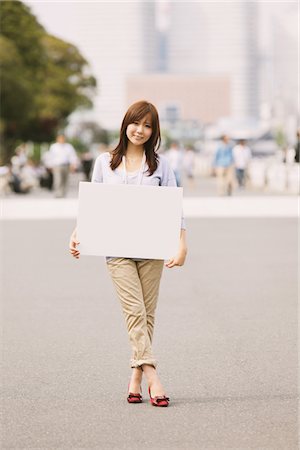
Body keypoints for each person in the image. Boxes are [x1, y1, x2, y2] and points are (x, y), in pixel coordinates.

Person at [69, 101, 187, 407]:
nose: (141, 130)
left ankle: (135, 379)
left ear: (154, 131)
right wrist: (78, 231)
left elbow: (176, 207)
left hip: (153, 248)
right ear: (125, 125)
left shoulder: (161, 166)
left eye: (148, 126)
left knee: (147, 315)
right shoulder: (104, 162)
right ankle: (153, 376)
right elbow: (91, 204)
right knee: (134, 311)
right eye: (137, 123)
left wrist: (181, 243)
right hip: (116, 249)